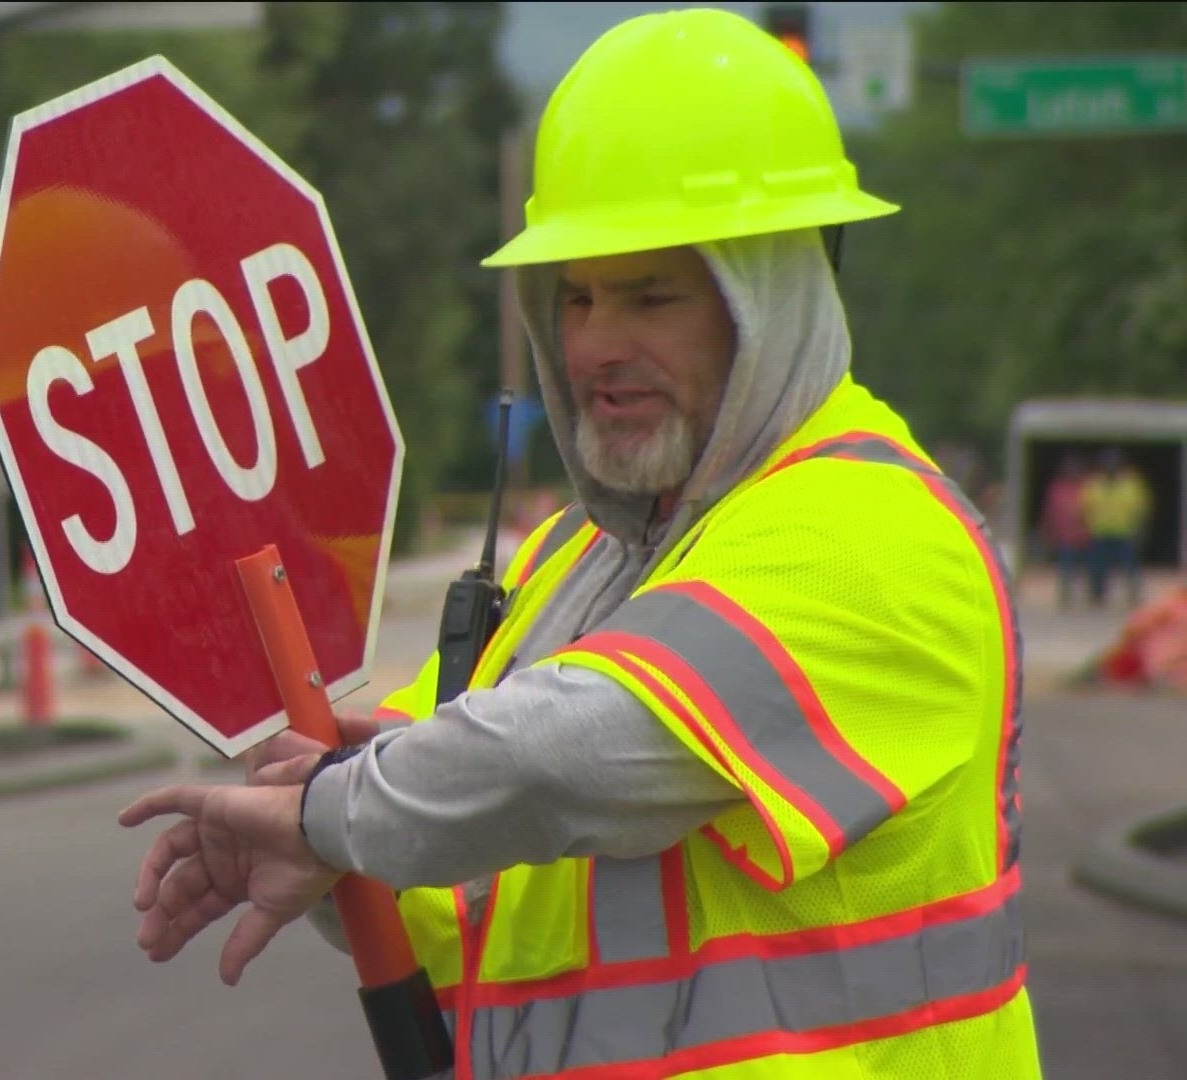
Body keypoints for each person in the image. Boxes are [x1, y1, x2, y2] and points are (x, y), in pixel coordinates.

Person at [118, 9, 1041, 1078]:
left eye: (653, 295)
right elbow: (453, 882)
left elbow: (565, 759)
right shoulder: (574, 562)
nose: (600, 344)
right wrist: (323, 844)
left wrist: (331, 808)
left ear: (778, 297)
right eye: (578, 297)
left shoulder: (876, 533)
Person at [1081, 449, 1150, 608]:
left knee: (1130, 565)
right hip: (1099, 532)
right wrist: (1086, 526)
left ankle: (1134, 593)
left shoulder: (1131, 484)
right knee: (1097, 566)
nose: (1110, 466)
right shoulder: (1094, 484)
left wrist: (1140, 527)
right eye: (1107, 463)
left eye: (1114, 463)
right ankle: (1097, 595)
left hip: (1124, 532)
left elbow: (1141, 507)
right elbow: (1085, 507)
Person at [1038, 452, 1093, 609]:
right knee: (1066, 566)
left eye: (1075, 468)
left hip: (1086, 535)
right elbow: (1049, 511)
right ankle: (1066, 595)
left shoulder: (1088, 486)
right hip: (1065, 536)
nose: (1072, 471)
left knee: (1090, 568)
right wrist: (1047, 530)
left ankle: (1092, 595)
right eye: (1069, 468)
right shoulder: (1056, 487)